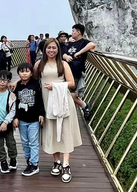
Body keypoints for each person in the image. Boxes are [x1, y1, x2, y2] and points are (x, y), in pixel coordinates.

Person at [34, 37, 82, 183]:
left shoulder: (63, 64)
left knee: (65, 131)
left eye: (54, 48)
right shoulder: (39, 64)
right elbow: (32, 78)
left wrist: (55, 86)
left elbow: (72, 83)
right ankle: (57, 161)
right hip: (47, 102)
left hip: (63, 101)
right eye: (49, 48)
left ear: (58, 49)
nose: (51, 50)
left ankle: (66, 164)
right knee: (52, 131)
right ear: (44, 49)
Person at [13, 62, 44, 176]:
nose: (24, 74)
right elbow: (14, 103)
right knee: (25, 142)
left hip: (34, 119)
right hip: (21, 119)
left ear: (31, 73)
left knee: (33, 142)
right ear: (18, 73)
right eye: (22, 71)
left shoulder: (36, 84)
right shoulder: (17, 86)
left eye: (27, 71)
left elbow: (40, 100)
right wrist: (15, 117)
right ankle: (28, 160)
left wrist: (41, 114)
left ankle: (34, 164)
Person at [62, 23, 96, 119]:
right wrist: (66, 56)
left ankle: (84, 105)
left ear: (78, 32)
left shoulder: (83, 42)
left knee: (70, 92)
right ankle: (84, 106)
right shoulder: (70, 43)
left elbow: (92, 45)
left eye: (73, 31)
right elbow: (63, 52)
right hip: (66, 71)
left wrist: (79, 53)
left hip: (76, 71)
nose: (72, 33)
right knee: (67, 92)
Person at [0, 70, 18, 174]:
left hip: (8, 123)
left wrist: (6, 122)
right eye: (0, 79)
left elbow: (13, 110)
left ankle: (13, 159)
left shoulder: (11, 95)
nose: (2, 82)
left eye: (5, 80)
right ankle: (3, 161)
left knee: (11, 142)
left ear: (9, 82)